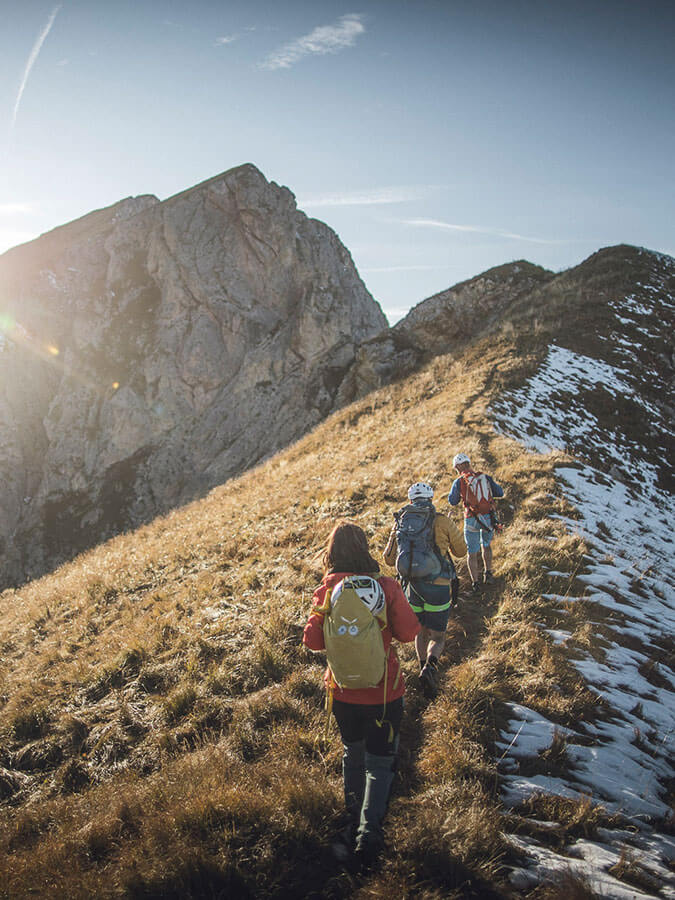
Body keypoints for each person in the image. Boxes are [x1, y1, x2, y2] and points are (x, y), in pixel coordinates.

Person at [303, 522, 420, 869]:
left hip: (342, 693)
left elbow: (312, 642)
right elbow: (411, 631)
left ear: (332, 552)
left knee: (352, 753)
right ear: (365, 549)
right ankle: (369, 833)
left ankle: (351, 818)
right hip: (385, 691)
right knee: (380, 761)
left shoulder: (327, 589)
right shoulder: (385, 586)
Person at [383, 482, 466, 700]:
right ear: (431, 499)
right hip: (438, 586)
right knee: (437, 636)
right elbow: (461, 551)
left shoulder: (400, 522)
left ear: (410, 500)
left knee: (420, 630)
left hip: (412, 587)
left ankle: (421, 665)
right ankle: (430, 667)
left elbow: (389, 559)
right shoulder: (441, 521)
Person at [448, 453, 504, 593]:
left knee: (471, 553)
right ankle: (488, 573)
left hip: (471, 519)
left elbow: (452, 501)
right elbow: (500, 493)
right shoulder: (484, 477)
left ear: (458, 467)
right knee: (486, 546)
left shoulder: (459, 481)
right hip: (488, 518)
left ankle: (475, 583)